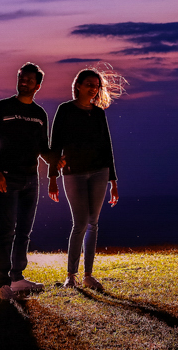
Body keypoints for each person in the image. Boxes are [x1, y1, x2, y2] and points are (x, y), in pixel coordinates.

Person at [48, 65, 126, 291]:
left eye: (97, 86)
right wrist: (52, 177)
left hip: (99, 172)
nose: (93, 89)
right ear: (78, 86)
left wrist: (113, 181)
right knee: (80, 223)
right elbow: (55, 145)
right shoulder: (65, 110)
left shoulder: (99, 113)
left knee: (93, 223)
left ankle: (88, 276)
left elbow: (107, 147)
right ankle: (71, 275)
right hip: (73, 173)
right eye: (89, 85)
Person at [0, 62, 58, 301]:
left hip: (31, 178)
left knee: (24, 231)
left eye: (28, 79)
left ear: (38, 85)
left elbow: (43, 149)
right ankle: (2, 284)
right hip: (7, 176)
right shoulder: (2, 107)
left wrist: (56, 160)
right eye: (21, 78)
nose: (23, 82)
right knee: (6, 230)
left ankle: (17, 278)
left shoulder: (39, 115)